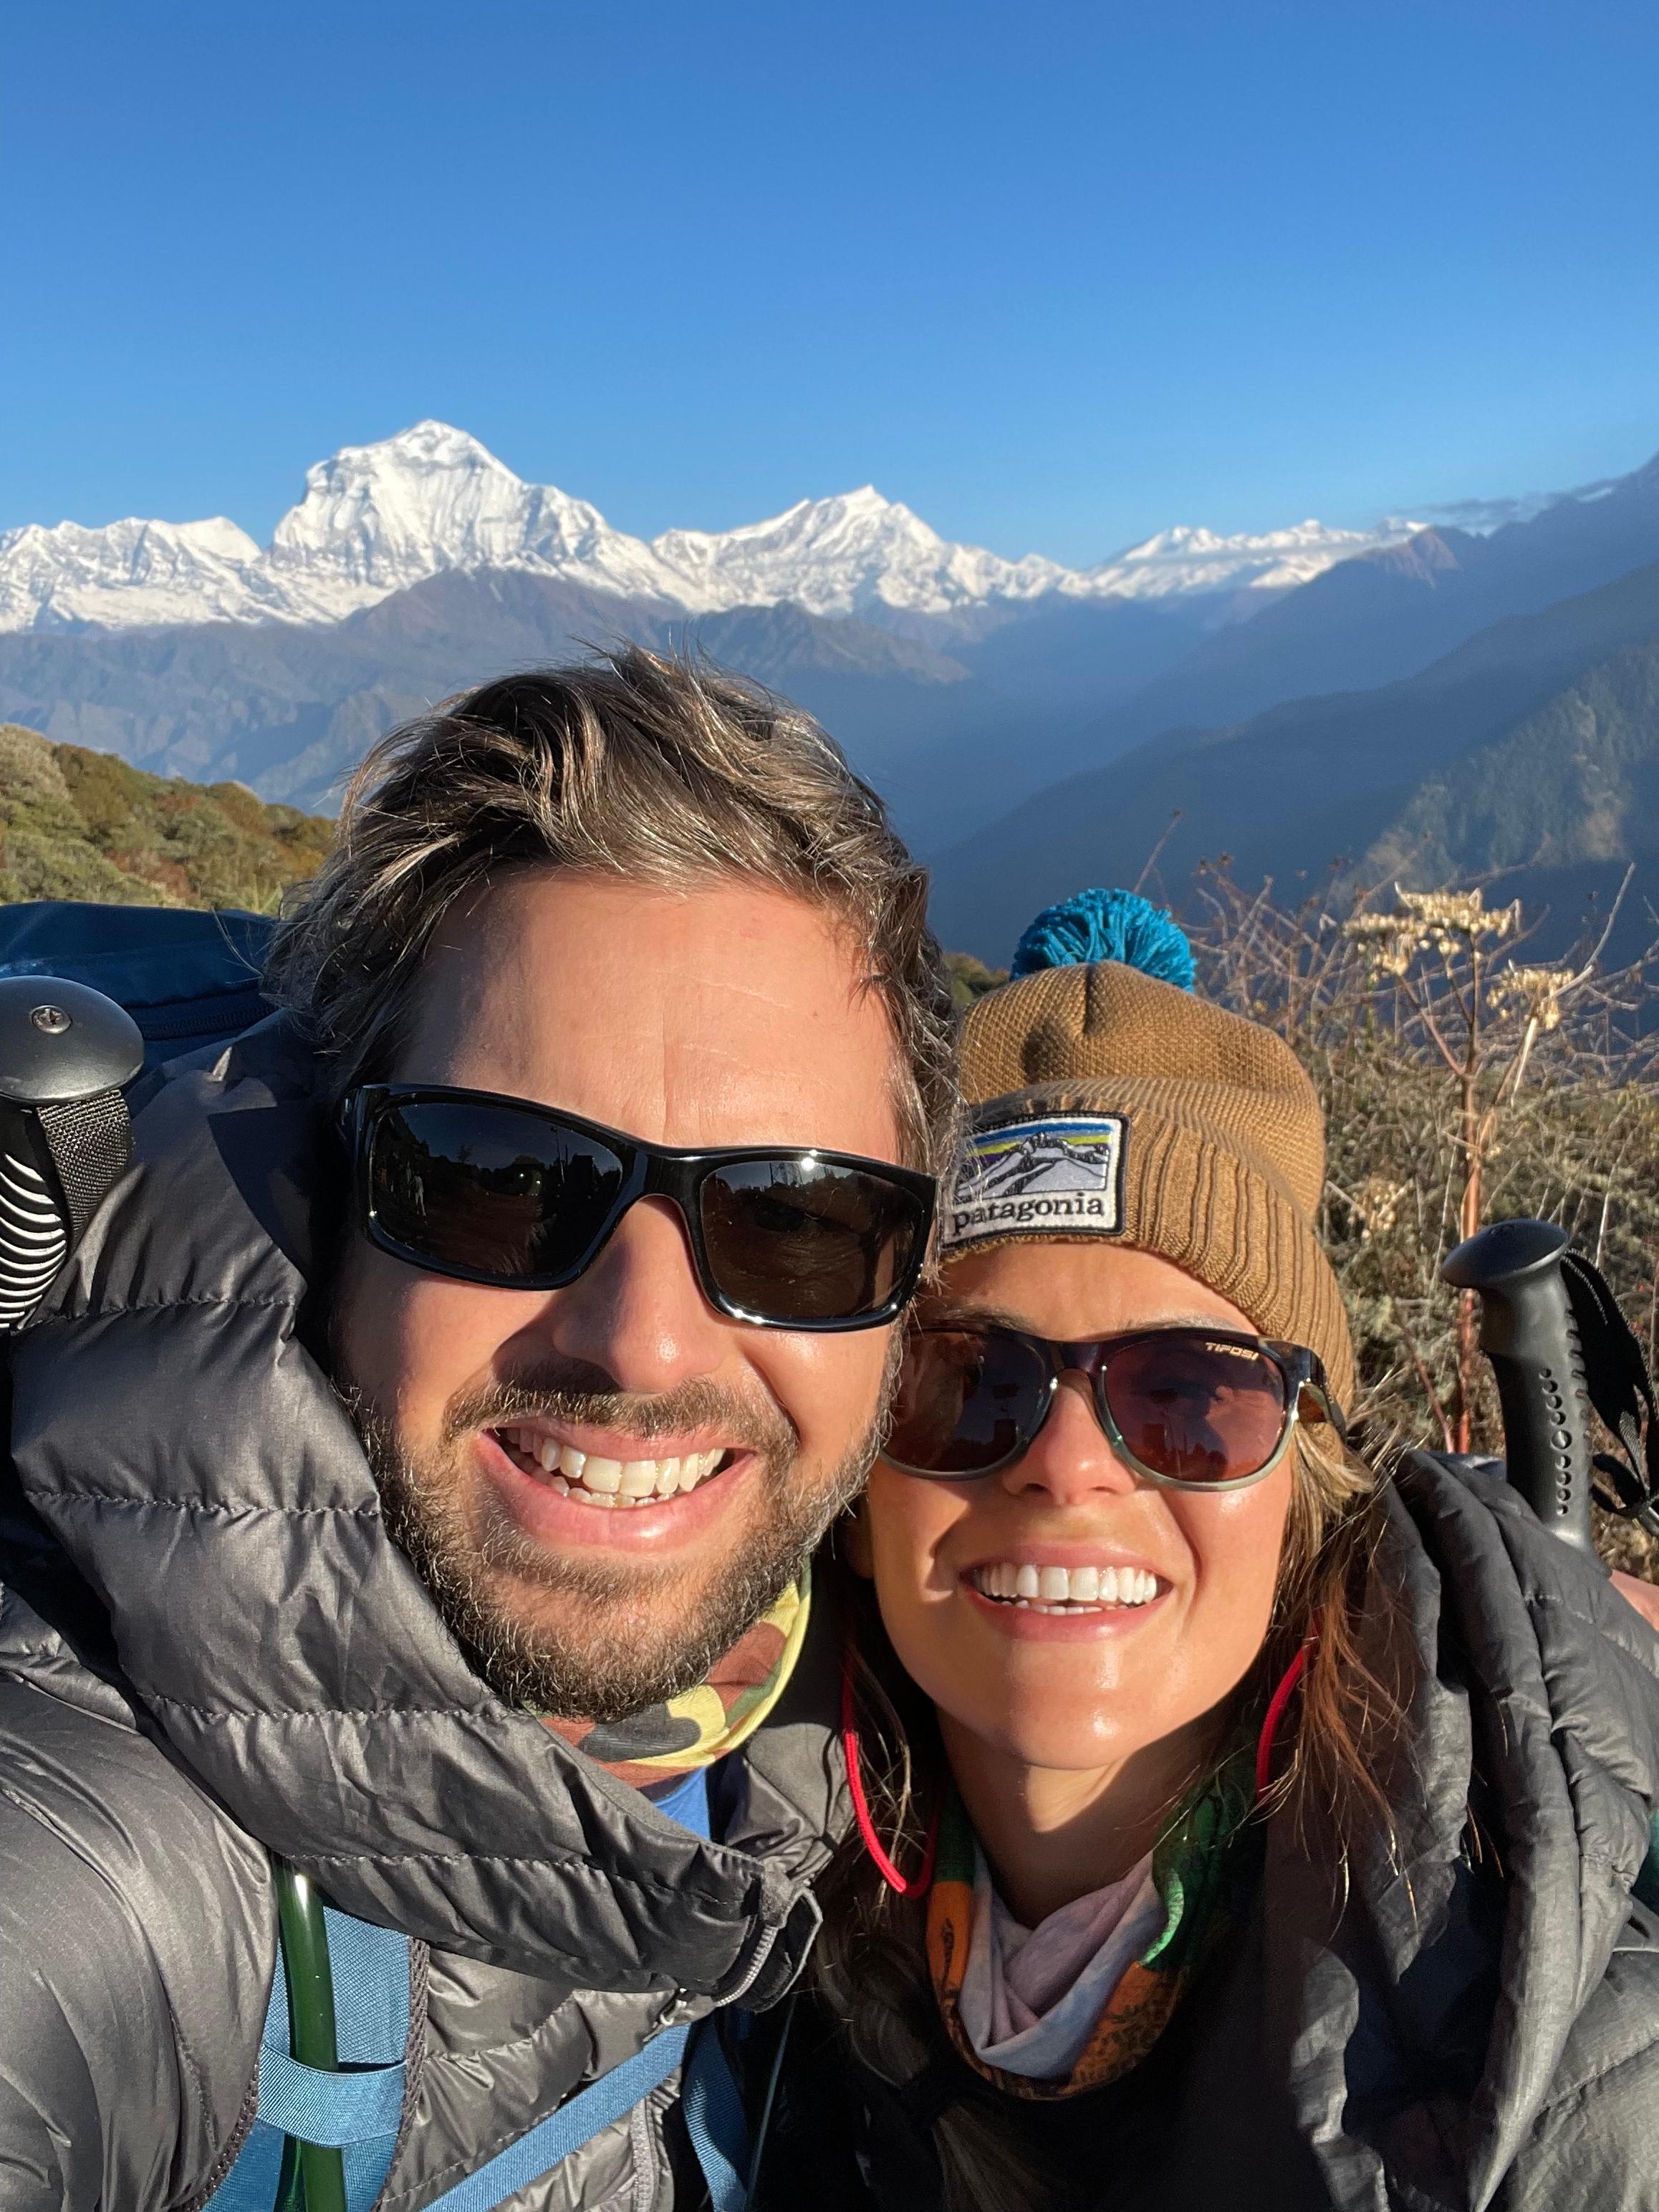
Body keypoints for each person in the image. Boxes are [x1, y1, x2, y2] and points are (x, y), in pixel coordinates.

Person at [0, 650, 955, 2209]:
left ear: (901, 1305)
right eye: (496, 1175)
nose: (641, 1339)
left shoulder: (834, 1711)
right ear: (337, 1209)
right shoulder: (104, 1882)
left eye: (794, 1220)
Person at [759, 898, 1659, 2212]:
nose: (1068, 1466)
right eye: (967, 1382)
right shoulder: (726, 1933)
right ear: (853, 1494)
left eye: (1189, 1396)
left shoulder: (1535, 2044)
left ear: (1304, 1491)